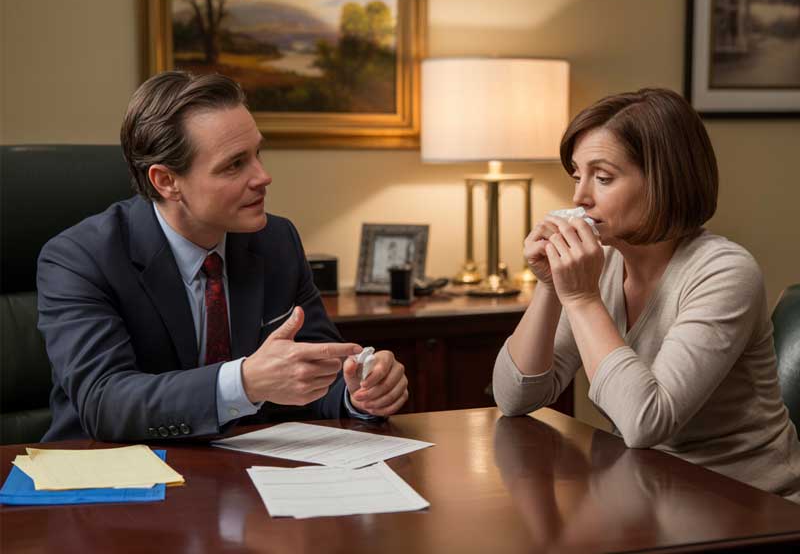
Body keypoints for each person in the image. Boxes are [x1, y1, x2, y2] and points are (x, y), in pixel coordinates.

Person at [37, 71, 408, 442]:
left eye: (257, 154)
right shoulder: (80, 259)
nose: (263, 176)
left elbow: (313, 375)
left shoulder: (276, 240)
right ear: (166, 181)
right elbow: (105, 403)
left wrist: (360, 391)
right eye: (234, 164)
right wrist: (243, 382)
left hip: (244, 476)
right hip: (110, 477)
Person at [492, 87, 800, 503]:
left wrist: (582, 299)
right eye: (577, 176)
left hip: (747, 502)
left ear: (663, 181)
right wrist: (550, 285)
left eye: (602, 178)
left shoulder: (725, 272)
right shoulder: (601, 265)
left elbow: (646, 422)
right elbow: (514, 398)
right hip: (649, 491)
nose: (579, 197)